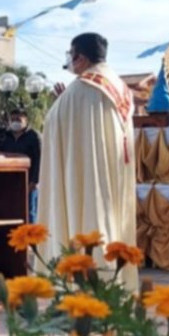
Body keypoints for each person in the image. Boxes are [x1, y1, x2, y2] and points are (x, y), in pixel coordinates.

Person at [39, 32, 137, 290]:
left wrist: (58, 104)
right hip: (116, 171)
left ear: (80, 57)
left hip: (88, 177)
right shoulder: (120, 87)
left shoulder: (82, 88)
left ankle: (85, 284)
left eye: (71, 56)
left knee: (90, 213)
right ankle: (117, 283)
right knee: (112, 218)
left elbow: (52, 124)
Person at [0, 108, 42, 223]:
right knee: (11, 213)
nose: (15, 122)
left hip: (28, 183)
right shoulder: (5, 136)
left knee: (29, 213)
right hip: (8, 183)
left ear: (26, 120)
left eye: (18, 119)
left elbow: (39, 160)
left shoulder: (33, 137)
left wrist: (34, 182)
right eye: (13, 119)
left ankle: (31, 240)